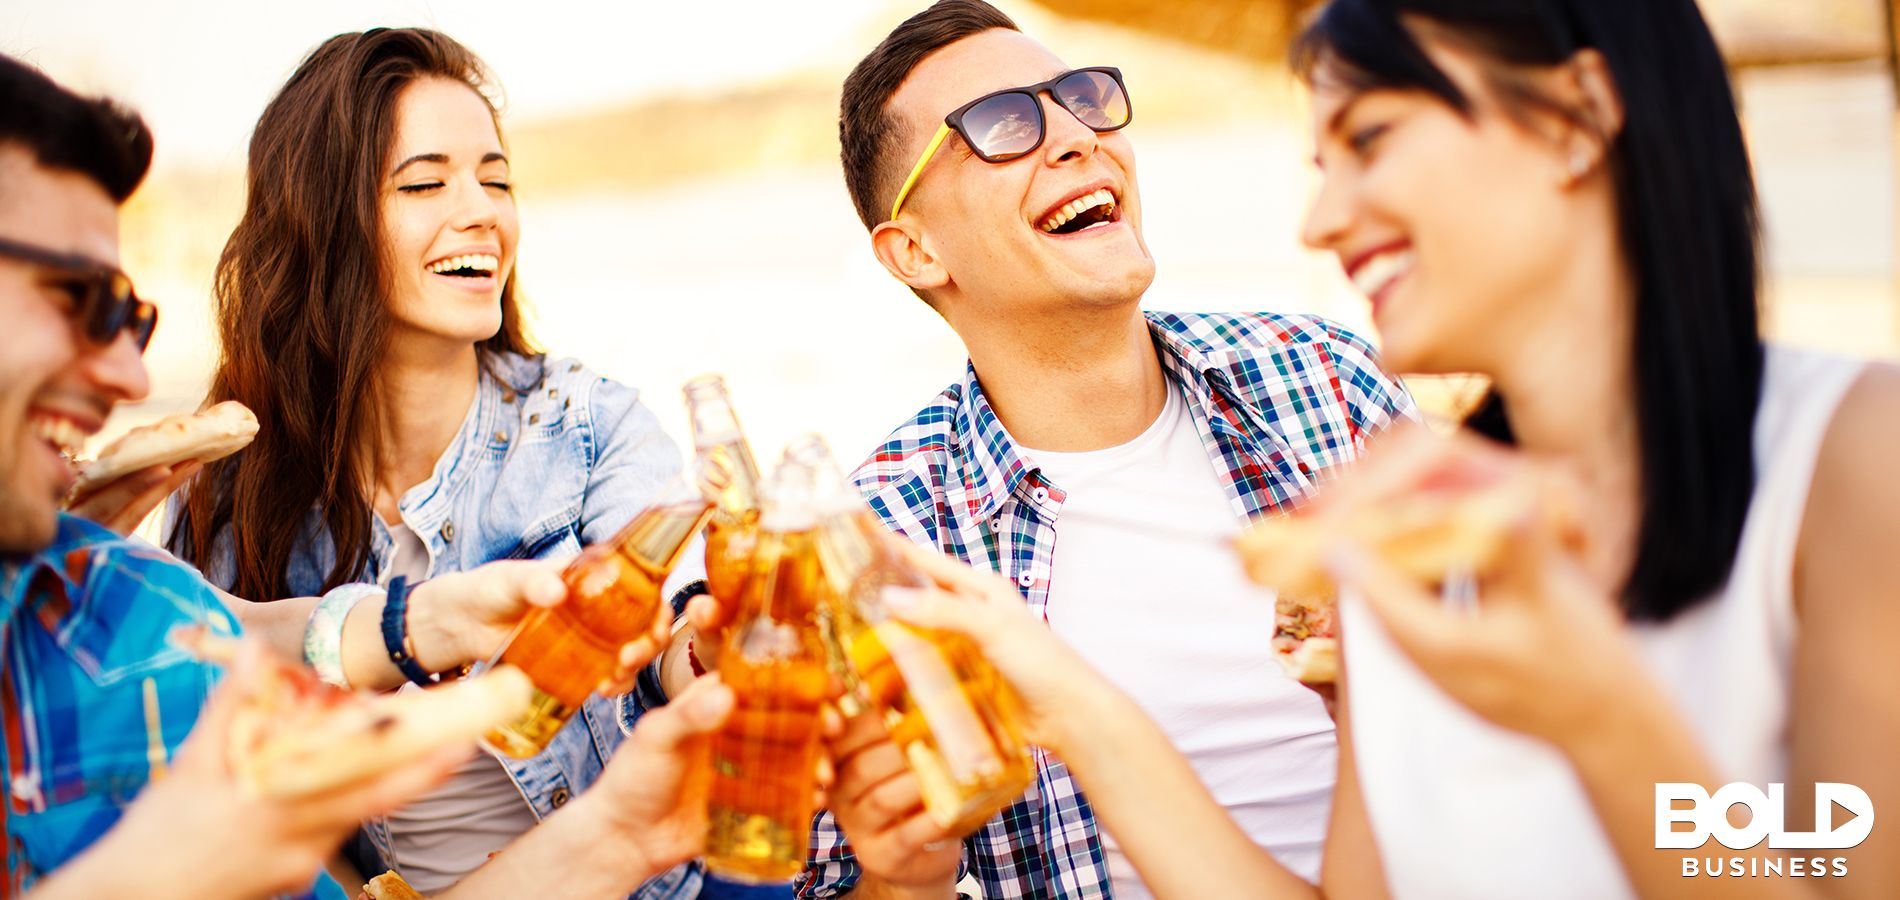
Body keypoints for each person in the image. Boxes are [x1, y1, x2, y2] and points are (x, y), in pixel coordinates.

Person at [874, 1, 1900, 898]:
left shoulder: (1850, 452)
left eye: (1370, 139)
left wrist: (1595, 711)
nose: (1319, 223)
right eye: (1323, 165)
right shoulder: (1413, 530)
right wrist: (1075, 710)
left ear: (1576, 117)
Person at [672, 1, 1412, 896]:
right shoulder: (883, 545)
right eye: (1001, 125)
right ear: (915, 252)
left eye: (1084, 97)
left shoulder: (1323, 377)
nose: (1075, 136)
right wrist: (906, 879)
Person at [160, 27, 706, 897]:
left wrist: (707, 645)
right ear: (323, 219)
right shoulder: (231, 487)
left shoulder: (589, 425)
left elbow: (678, 622)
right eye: (425, 183)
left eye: (497, 179)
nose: (482, 210)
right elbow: (219, 766)